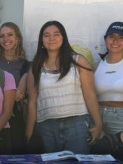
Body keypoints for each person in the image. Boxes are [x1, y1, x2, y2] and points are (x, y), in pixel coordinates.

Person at [26, 20, 103, 154]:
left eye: (56, 34)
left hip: (77, 124)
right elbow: (32, 103)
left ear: (63, 38)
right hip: (46, 127)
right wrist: (28, 133)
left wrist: (98, 124)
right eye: (47, 35)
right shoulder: (35, 67)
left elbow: (90, 95)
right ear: (41, 40)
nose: (51, 38)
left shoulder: (79, 61)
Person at [0, 22, 31, 153]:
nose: (6, 39)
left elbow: (21, 94)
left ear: (18, 38)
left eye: (10, 35)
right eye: (2, 36)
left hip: (16, 119)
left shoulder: (26, 65)